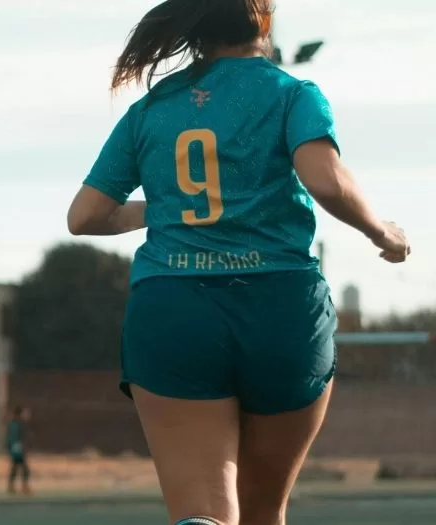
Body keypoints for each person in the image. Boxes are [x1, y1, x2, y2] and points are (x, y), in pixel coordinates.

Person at [65, 2, 410, 524]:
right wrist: (382, 232)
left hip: (175, 307)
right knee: (262, 510)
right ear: (264, 24)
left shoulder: (154, 106)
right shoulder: (291, 93)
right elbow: (325, 180)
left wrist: (164, 207)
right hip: (279, 306)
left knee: (202, 512)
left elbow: (86, 215)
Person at [5, 406, 31, 495]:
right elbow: (14, 438)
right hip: (18, 449)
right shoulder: (18, 424)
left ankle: (12, 486)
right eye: (24, 413)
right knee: (24, 468)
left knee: (15, 468)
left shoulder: (14, 424)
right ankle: (24, 486)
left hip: (15, 449)